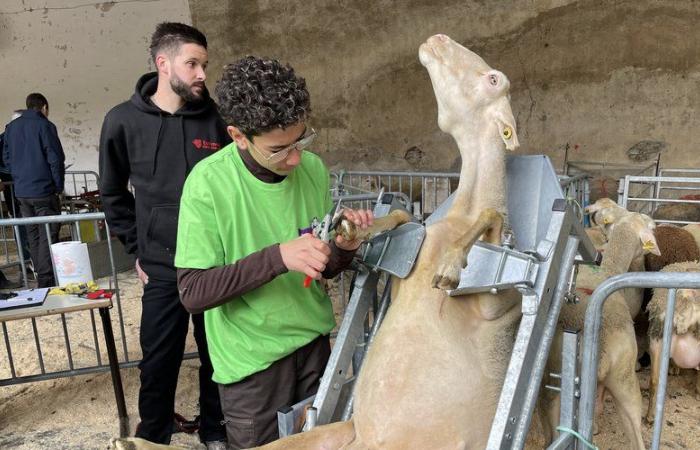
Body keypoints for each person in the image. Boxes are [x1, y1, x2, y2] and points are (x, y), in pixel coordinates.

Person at [175, 55, 373, 448]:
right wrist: (278, 257)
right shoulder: (207, 184)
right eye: (280, 149)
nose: (296, 158)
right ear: (238, 136)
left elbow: (322, 266)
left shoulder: (312, 169)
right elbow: (193, 292)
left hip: (314, 348)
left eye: (302, 140)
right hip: (253, 366)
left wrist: (342, 248)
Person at [98, 22, 229, 448]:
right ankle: (153, 436)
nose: (201, 74)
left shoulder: (217, 120)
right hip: (161, 266)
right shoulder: (121, 121)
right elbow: (112, 193)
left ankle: (215, 431)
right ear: (163, 63)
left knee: (217, 355)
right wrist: (136, 248)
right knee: (157, 360)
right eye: (192, 63)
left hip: (214, 263)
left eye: (204, 65)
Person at [2, 94, 64, 288]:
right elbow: (55, 159)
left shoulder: (11, 129)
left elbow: (7, 158)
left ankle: (39, 273)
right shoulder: (45, 126)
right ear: (44, 107)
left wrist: (20, 175)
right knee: (48, 233)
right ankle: (46, 280)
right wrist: (58, 186)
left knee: (33, 234)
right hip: (43, 189)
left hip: (21, 190)